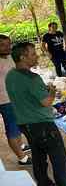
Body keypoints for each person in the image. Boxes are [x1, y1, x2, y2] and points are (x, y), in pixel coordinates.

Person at [5, 42, 66, 186]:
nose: (36, 56)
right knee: (59, 160)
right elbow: (46, 102)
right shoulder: (32, 78)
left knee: (38, 157)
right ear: (22, 57)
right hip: (43, 125)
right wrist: (52, 91)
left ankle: (44, 183)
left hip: (25, 124)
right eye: (32, 54)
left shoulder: (11, 75)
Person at [0, 35, 32, 166]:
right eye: (3, 45)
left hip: (15, 97)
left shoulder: (10, 57)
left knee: (18, 124)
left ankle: (20, 145)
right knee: (12, 127)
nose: (8, 47)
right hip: (4, 100)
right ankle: (21, 157)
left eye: (9, 44)